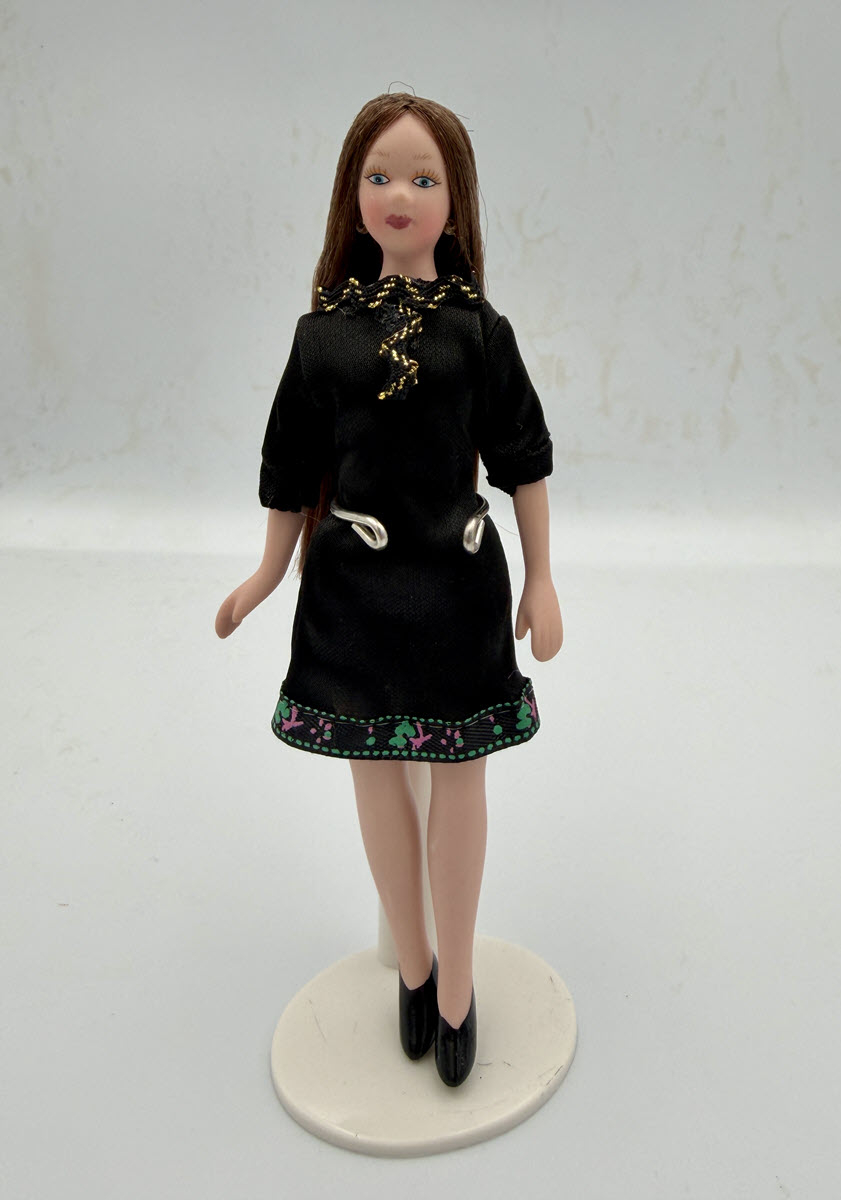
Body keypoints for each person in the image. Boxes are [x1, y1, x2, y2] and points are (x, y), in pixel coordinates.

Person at [216, 93, 563, 1087]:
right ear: (350, 195)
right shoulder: (320, 335)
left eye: (421, 177)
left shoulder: (478, 330)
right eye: (378, 176)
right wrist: (267, 570)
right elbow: (290, 464)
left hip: (456, 580)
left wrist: (542, 578)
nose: (398, 194)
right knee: (374, 776)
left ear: (455, 202)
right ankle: (412, 967)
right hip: (355, 587)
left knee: (460, 781)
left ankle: (457, 985)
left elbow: (523, 458)